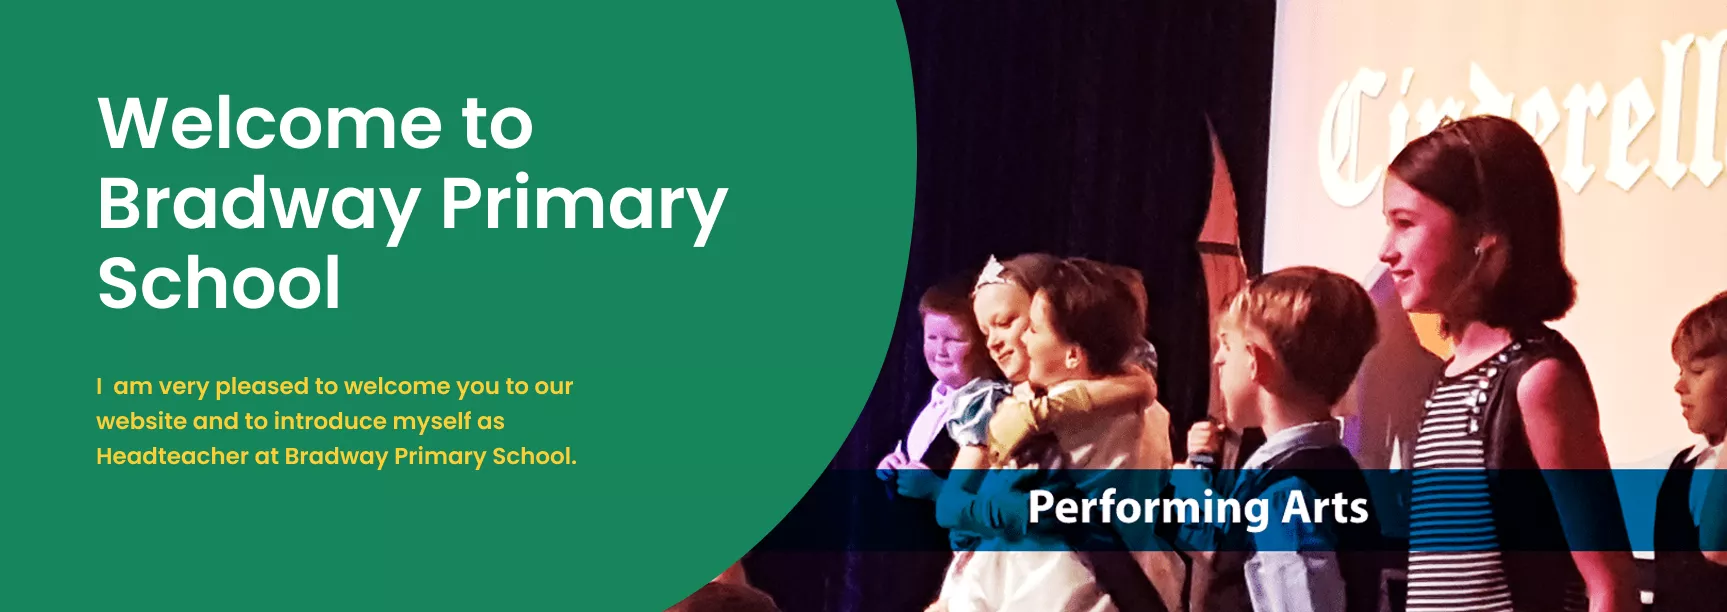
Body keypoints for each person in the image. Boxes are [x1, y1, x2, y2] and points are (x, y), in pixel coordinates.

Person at [1378, 115, 1637, 611]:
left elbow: (1610, 581)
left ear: (1484, 234)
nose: (1386, 251)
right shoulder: (1445, 378)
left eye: (1405, 224)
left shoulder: (1538, 379)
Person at [933, 256, 1180, 612]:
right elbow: (952, 508)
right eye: (985, 332)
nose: (995, 343)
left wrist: (1046, 411)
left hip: (1057, 585)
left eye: (1010, 323)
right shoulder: (1009, 406)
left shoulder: (1056, 412)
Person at [1180, 266, 1389, 612]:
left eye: (1227, 346)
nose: (1217, 359)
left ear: (1255, 361)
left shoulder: (1285, 495)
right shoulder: (1324, 468)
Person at [873, 273, 1001, 612]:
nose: (940, 350)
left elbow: (991, 498)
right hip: (905, 562)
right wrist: (893, 471)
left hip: (947, 567)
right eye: (932, 337)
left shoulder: (992, 408)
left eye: (954, 339)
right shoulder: (931, 401)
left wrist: (934, 489)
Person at [1655, 290, 1727, 610]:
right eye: (1680, 371)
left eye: (1697, 371)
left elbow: (1717, 547)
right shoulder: (1683, 466)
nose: (1679, 386)